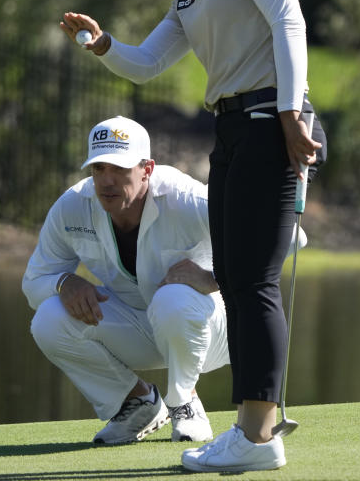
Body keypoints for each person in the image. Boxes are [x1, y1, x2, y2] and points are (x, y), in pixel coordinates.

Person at [59, 0, 327, 473]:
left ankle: (257, 438)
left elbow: (289, 19)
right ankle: (256, 432)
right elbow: (148, 63)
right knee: (235, 276)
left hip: (271, 119)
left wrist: (291, 112)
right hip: (233, 129)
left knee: (253, 282)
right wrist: (99, 45)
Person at [22, 115, 230, 445]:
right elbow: (34, 281)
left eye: (119, 169)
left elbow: (290, 237)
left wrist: (215, 277)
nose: (107, 181)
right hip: (140, 327)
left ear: (147, 169)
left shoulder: (187, 198)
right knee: (48, 319)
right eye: (99, 168)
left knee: (173, 297)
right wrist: (65, 282)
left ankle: (185, 402)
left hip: (211, 329)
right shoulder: (73, 206)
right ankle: (138, 403)